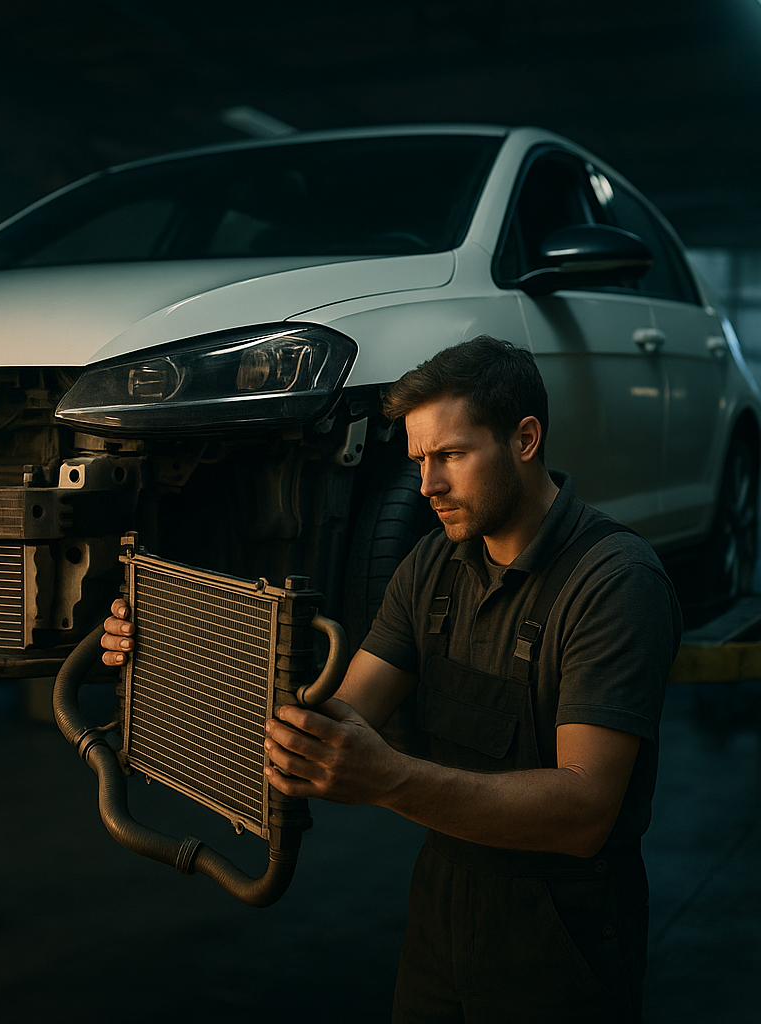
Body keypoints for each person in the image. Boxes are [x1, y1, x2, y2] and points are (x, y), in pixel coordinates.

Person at [101, 336, 681, 1023]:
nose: (427, 484)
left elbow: (585, 812)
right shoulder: (432, 565)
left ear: (525, 438)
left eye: (451, 456)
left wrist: (390, 779)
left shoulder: (613, 582)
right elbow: (341, 715)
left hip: (567, 930)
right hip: (442, 902)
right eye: (418, 461)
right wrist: (168, 655)